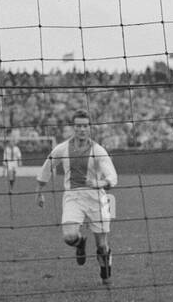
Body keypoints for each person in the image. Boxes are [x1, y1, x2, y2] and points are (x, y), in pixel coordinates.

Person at [38, 111, 117, 287]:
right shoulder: (62, 148)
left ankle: (105, 272)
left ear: (89, 128)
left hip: (98, 198)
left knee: (102, 246)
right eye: (78, 126)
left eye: (85, 125)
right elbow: (48, 165)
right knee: (69, 236)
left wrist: (99, 183)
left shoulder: (98, 150)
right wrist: (39, 190)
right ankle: (80, 243)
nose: (82, 129)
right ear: (74, 128)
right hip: (73, 196)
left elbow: (113, 177)